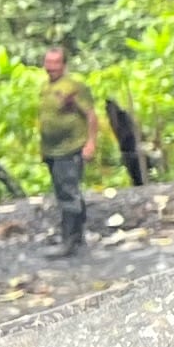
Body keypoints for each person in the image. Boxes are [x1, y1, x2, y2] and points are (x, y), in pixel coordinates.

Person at [37, 45, 110, 258]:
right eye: (48, 63)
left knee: (68, 193)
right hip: (52, 150)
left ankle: (70, 241)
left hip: (69, 149)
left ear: (64, 65)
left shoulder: (73, 87)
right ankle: (77, 239)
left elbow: (91, 116)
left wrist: (90, 143)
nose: (51, 68)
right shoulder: (45, 87)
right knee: (65, 192)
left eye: (55, 63)